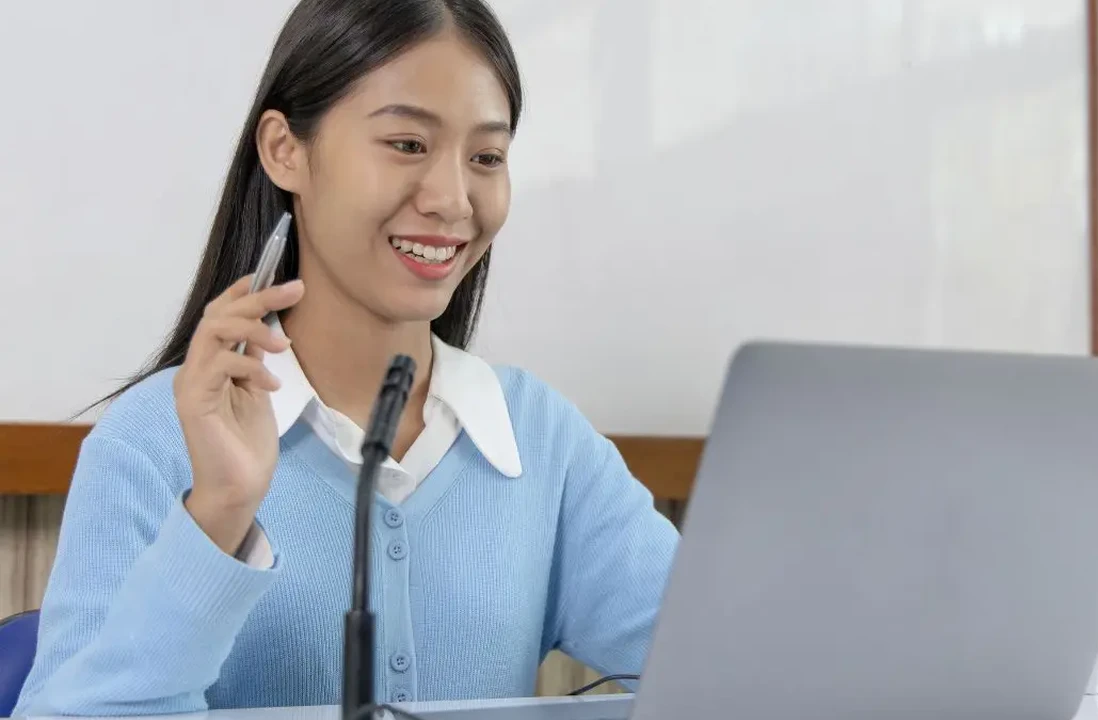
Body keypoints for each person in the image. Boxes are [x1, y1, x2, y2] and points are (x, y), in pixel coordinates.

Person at [13, 0, 679, 715]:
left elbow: (736, 670)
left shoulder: (541, 442)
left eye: (486, 157)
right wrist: (220, 513)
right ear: (285, 151)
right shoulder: (151, 443)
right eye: (407, 144)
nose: (454, 201)